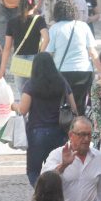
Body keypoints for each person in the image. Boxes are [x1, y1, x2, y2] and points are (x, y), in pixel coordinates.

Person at [12, 52, 76, 186]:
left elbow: (23, 110)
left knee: (33, 171)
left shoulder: (31, 84)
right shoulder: (61, 82)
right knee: (57, 168)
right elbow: (74, 108)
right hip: (59, 132)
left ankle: (41, 194)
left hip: (37, 133)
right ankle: (54, 194)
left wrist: (14, 106)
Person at [45, 0, 101, 115]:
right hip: (84, 71)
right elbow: (92, 52)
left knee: (62, 105)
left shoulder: (54, 29)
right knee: (81, 105)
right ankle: (79, 126)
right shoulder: (83, 26)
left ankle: (66, 127)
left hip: (62, 72)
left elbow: (49, 53)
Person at [0, 0, 49, 98]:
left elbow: (7, 48)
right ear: (35, 3)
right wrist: (40, 55)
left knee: (23, 94)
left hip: (18, 60)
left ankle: (26, 115)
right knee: (35, 92)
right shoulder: (39, 20)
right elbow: (46, 38)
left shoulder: (12, 22)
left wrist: (2, 69)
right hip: (34, 59)